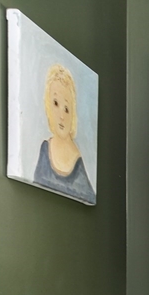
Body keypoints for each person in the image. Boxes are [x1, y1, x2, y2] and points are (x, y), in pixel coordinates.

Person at [33, 63, 95, 205]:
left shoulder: (78, 163)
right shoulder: (45, 149)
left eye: (66, 109)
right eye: (56, 103)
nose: (61, 115)